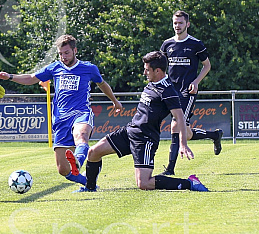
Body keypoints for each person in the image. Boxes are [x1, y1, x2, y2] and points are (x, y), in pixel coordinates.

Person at [0, 34, 122, 191]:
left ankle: (79, 161)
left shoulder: (89, 68)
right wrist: (10, 76)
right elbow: (31, 78)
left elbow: (102, 84)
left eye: (66, 53)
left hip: (81, 112)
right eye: (60, 53)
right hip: (60, 119)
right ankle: (89, 184)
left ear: (75, 50)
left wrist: (115, 101)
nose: (63, 57)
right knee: (63, 170)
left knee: (81, 136)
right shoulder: (54, 68)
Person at [83, 51, 209, 192]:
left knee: (144, 183)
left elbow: (180, 117)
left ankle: (190, 183)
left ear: (158, 71)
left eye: (147, 69)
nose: (144, 72)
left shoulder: (168, 91)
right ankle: (89, 188)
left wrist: (183, 144)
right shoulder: (152, 82)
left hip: (145, 138)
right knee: (93, 152)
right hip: (131, 130)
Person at [158, 10, 222, 176]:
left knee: (175, 126)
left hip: (187, 92)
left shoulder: (195, 44)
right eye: (175, 23)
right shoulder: (167, 45)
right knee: (186, 131)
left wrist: (196, 82)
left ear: (187, 24)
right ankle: (214, 135)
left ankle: (170, 169)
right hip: (171, 92)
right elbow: (162, 68)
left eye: (180, 23)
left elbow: (207, 65)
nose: (177, 26)